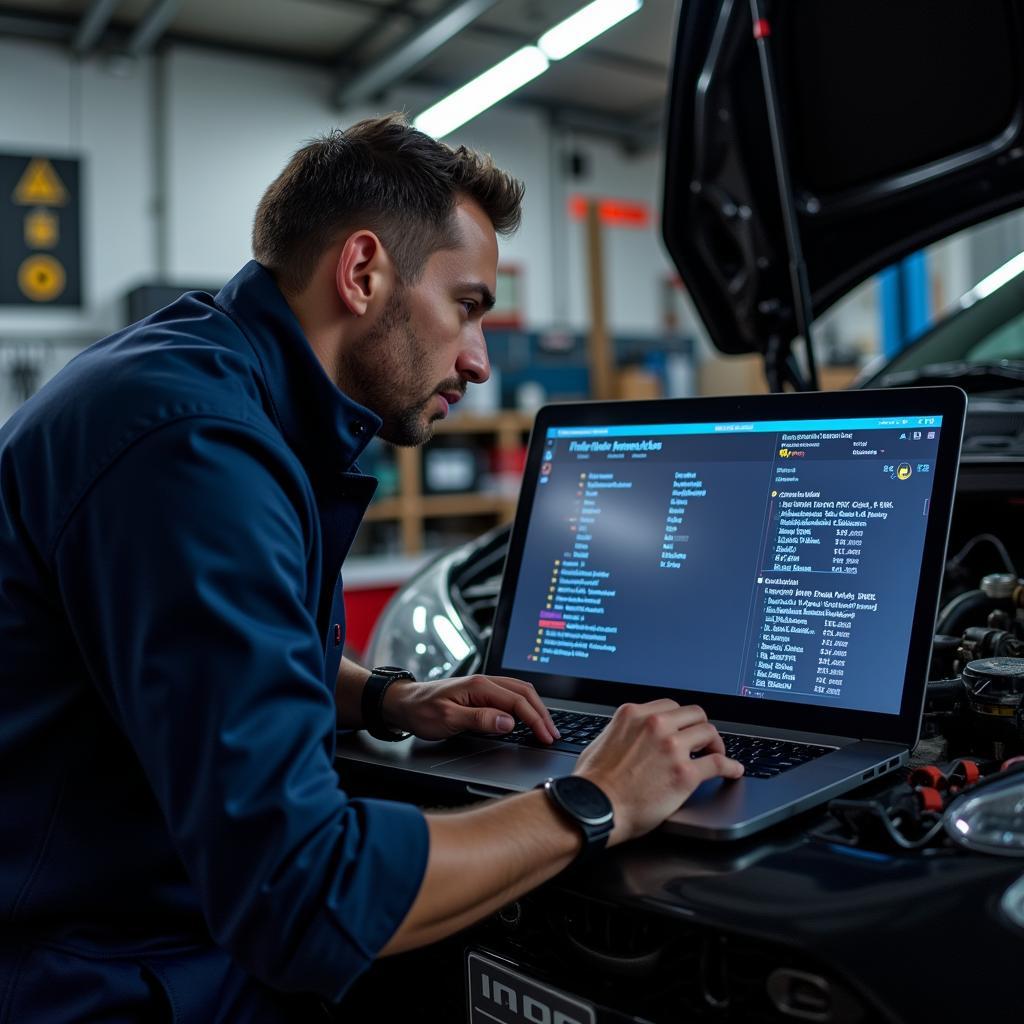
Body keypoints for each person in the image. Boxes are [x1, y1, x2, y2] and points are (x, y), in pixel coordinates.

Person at [0, 114, 743, 1021]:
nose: (478, 358)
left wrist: (387, 698)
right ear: (362, 273)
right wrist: (593, 799)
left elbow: (210, 652)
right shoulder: (195, 451)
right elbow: (302, 895)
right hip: (96, 974)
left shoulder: (211, 380)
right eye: (467, 306)